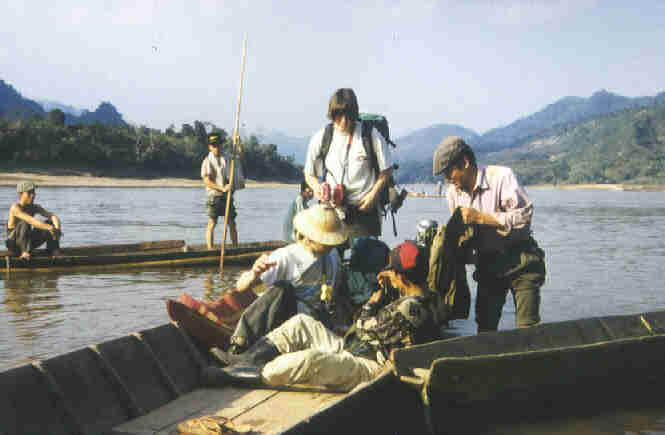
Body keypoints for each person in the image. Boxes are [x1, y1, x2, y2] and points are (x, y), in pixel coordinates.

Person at [203, 241, 439, 392]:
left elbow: (363, 326)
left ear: (401, 277)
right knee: (301, 324)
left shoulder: (411, 307)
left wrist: (372, 303)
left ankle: (237, 376)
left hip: (370, 367)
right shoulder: (424, 298)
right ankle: (243, 360)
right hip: (358, 348)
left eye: (392, 272)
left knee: (310, 360)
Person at [433, 136, 546, 333]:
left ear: (465, 163)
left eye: (449, 172)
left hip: (522, 260)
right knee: (485, 328)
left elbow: (524, 217)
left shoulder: (502, 177)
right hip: (488, 264)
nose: (448, 180)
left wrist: (481, 218)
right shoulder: (453, 193)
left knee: (528, 329)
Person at [224, 204, 348, 354]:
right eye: (325, 241)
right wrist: (254, 275)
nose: (330, 245)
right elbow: (241, 287)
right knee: (282, 289)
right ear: (309, 238)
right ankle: (240, 344)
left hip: (315, 322)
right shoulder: (286, 257)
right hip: (287, 322)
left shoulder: (333, 256)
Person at [304, 88, 394, 238]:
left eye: (349, 116)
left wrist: (373, 195)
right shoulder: (321, 137)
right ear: (331, 114)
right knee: (331, 259)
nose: (344, 122)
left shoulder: (369, 134)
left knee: (364, 258)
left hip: (365, 212)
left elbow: (387, 170)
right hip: (332, 212)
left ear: (354, 115)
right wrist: (318, 187)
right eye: (339, 116)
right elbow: (309, 174)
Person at [6, 181, 62, 260]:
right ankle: (25, 252)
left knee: (50, 222)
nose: (32, 195)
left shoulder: (35, 207)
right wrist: (50, 228)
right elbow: (31, 221)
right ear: (20, 194)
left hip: (28, 242)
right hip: (13, 243)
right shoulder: (15, 208)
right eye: (29, 193)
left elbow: (52, 216)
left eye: (33, 192)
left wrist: (57, 229)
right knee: (25, 222)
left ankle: (53, 250)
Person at [201, 133, 238, 248]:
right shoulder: (207, 161)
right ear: (210, 147)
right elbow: (207, 181)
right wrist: (222, 188)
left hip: (227, 196)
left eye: (218, 145)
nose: (217, 148)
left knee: (231, 222)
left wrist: (238, 142)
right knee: (212, 222)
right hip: (215, 196)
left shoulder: (227, 158)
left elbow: (239, 156)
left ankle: (235, 248)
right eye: (214, 145)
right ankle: (210, 249)